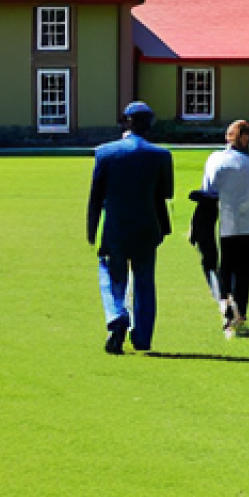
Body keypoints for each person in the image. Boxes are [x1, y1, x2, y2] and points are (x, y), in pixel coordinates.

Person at [87, 101, 174, 354]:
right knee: (145, 282)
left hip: (115, 228)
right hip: (147, 228)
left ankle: (116, 315)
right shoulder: (161, 155)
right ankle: (143, 336)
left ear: (126, 121)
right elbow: (165, 193)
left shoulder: (105, 152)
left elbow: (95, 196)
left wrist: (91, 229)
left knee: (112, 276)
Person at [201, 119, 249, 338]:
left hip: (223, 222)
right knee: (243, 273)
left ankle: (226, 305)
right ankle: (238, 318)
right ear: (246, 138)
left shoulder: (216, 160)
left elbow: (208, 189)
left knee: (223, 267)